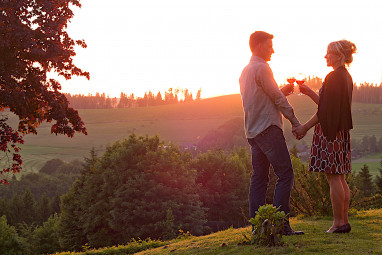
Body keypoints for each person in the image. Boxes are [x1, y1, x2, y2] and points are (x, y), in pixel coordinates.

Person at [239, 31, 304, 235]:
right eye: (269, 46)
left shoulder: (245, 70)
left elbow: (260, 98)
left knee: (259, 178)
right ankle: (281, 225)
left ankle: (258, 227)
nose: (273, 50)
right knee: (286, 174)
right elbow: (276, 98)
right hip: (268, 130)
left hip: (253, 132)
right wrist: (294, 120)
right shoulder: (263, 68)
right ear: (258, 46)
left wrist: (281, 91)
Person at [293, 40, 357, 233]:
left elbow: (324, 113)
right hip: (340, 131)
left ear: (338, 56)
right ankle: (343, 221)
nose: (325, 56)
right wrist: (311, 92)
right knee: (340, 177)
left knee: (334, 178)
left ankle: (338, 223)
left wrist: (304, 127)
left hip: (329, 131)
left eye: (328, 53)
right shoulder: (345, 76)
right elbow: (326, 105)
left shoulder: (333, 77)